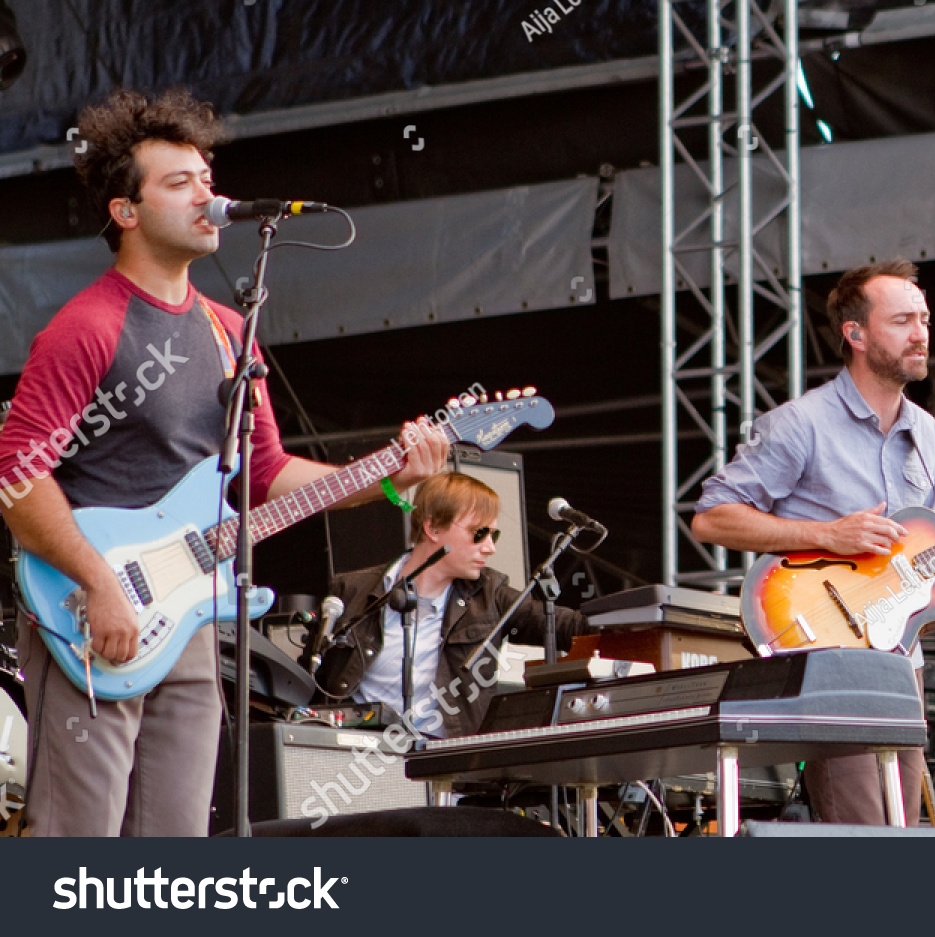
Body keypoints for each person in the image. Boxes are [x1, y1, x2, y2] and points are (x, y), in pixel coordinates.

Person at [0, 89, 449, 836]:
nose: (207, 192)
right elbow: (17, 473)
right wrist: (99, 581)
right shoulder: (85, 327)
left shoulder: (228, 330)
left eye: (207, 175)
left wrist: (390, 477)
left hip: (191, 620)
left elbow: (268, 476)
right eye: (179, 181)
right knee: (78, 843)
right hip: (85, 610)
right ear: (126, 212)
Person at [692, 258, 935, 825]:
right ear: (855, 334)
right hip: (832, 654)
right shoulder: (798, 423)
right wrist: (828, 534)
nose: (922, 334)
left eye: (924, 319)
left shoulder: (925, 431)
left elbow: (924, 554)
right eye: (903, 320)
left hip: (903, 659)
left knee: (898, 828)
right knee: (860, 829)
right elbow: (711, 518)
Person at [313, 472, 590, 738]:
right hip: (353, 756)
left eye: (494, 535)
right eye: (479, 532)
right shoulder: (351, 589)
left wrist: (628, 613)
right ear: (432, 527)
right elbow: (311, 680)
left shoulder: (491, 594)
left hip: (444, 768)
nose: (490, 547)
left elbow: (570, 626)